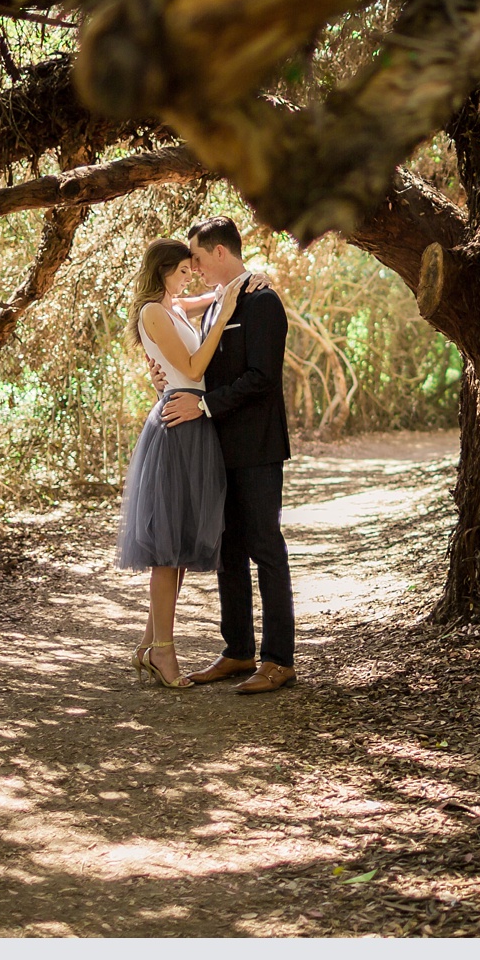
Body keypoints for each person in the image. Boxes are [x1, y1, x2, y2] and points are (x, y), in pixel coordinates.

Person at [159, 216, 297, 694]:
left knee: (265, 547)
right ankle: (238, 650)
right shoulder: (217, 301)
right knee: (229, 553)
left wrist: (204, 404)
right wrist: (174, 382)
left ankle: (279, 659)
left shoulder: (262, 301)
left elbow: (262, 377)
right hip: (217, 447)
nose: (192, 267)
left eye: (196, 257)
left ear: (220, 253)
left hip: (257, 448)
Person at [116, 237, 249, 687]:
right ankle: (164, 652)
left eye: (192, 269)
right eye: (182, 270)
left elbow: (215, 293)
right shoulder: (154, 310)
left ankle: (149, 645)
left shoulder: (172, 305)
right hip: (176, 426)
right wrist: (224, 318)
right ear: (163, 270)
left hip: (193, 425)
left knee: (180, 544)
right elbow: (192, 369)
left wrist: (242, 284)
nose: (189, 275)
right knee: (167, 550)